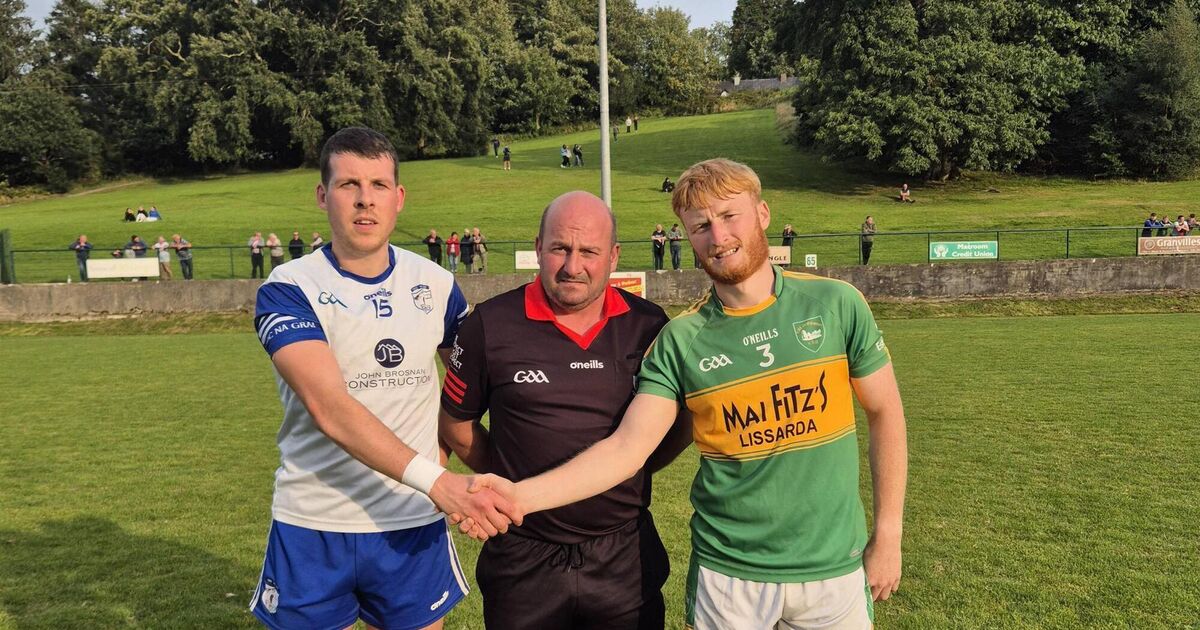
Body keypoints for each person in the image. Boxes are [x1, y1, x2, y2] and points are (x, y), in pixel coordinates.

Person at [472, 158, 908, 630]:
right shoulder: (679, 340)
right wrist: (518, 497)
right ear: (687, 236)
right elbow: (626, 450)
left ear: (762, 214)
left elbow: (885, 413)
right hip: (729, 576)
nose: (718, 237)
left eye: (729, 216)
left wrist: (888, 534)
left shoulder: (837, 304)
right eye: (700, 226)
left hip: (834, 568)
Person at [249, 126, 513, 630]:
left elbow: (474, 387)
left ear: (399, 198)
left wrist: (494, 465)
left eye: (378, 185)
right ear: (323, 196)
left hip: (411, 518)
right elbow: (329, 407)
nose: (364, 200)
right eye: (348, 184)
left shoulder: (436, 284)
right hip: (315, 521)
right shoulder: (288, 288)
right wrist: (440, 481)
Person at [439, 191, 687, 630]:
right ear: (538, 247)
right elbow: (457, 426)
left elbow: (674, 429)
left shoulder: (650, 326)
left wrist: (630, 469)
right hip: (523, 553)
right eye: (560, 248)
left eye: (589, 251)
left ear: (613, 256)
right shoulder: (489, 325)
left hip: (623, 555)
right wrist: (512, 480)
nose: (573, 266)